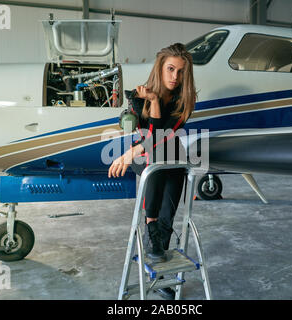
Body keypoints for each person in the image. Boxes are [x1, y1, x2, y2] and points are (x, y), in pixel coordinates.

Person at [108, 42, 196, 299]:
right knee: (155, 166)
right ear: (160, 68)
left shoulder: (184, 100)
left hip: (172, 158)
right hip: (150, 159)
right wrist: (151, 100)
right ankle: (150, 226)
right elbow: (149, 138)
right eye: (170, 69)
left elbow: (164, 134)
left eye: (180, 72)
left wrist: (156, 101)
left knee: (168, 217)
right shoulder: (137, 98)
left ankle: (157, 275)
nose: (175, 77)